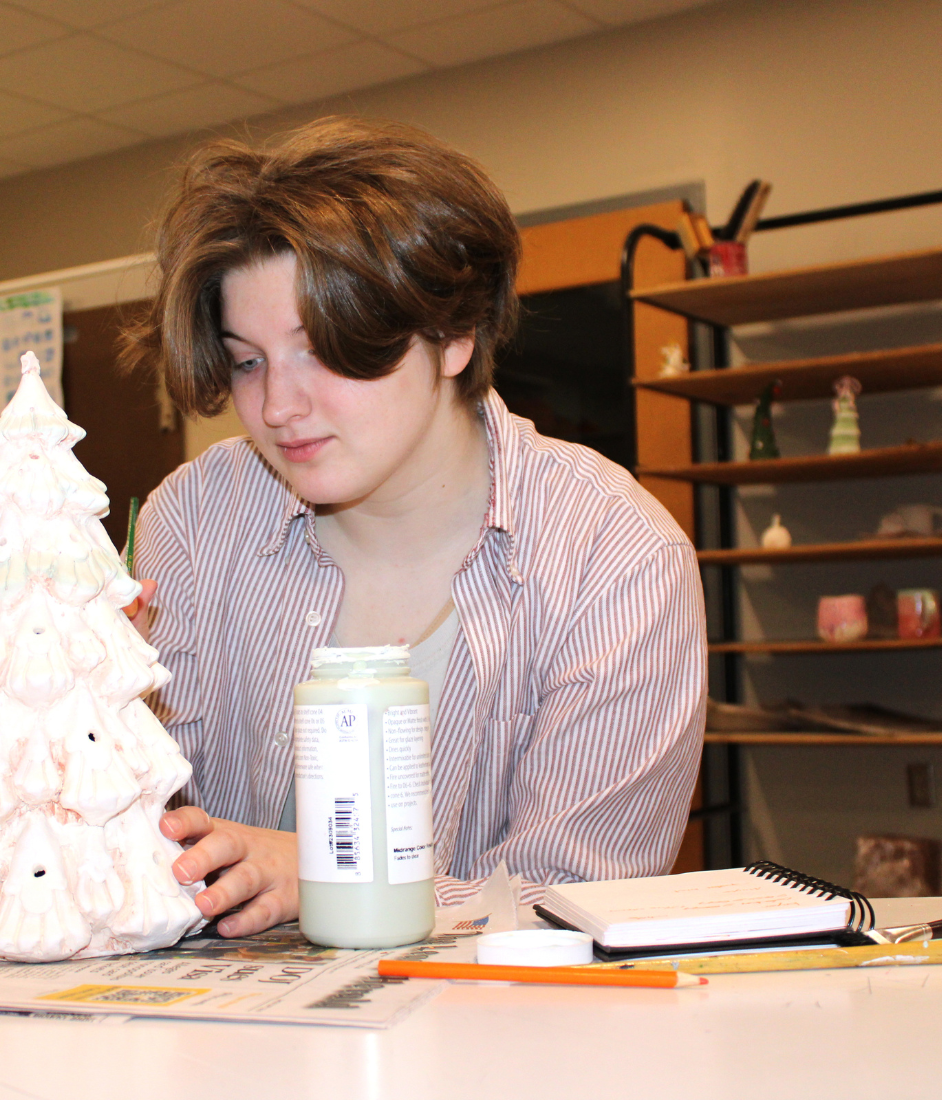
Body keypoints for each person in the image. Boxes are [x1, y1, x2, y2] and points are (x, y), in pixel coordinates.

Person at [119, 117, 706, 939]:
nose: (278, 408)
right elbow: (141, 841)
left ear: (453, 333)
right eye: (247, 360)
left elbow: (581, 902)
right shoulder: (193, 518)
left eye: (322, 347)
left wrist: (337, 877)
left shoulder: (616, 560)